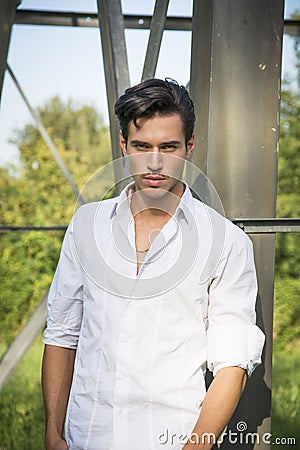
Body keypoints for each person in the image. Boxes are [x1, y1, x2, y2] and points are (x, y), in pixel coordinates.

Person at [42, 78, 265, 450]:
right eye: (142, 146)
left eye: (169, 147)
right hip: (85, 438)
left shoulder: (226, 241)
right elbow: (63, 333)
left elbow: (232, 363)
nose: (155, 162)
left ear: (190, 146)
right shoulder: (86, 225)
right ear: (122, 144)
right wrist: (53, 431)